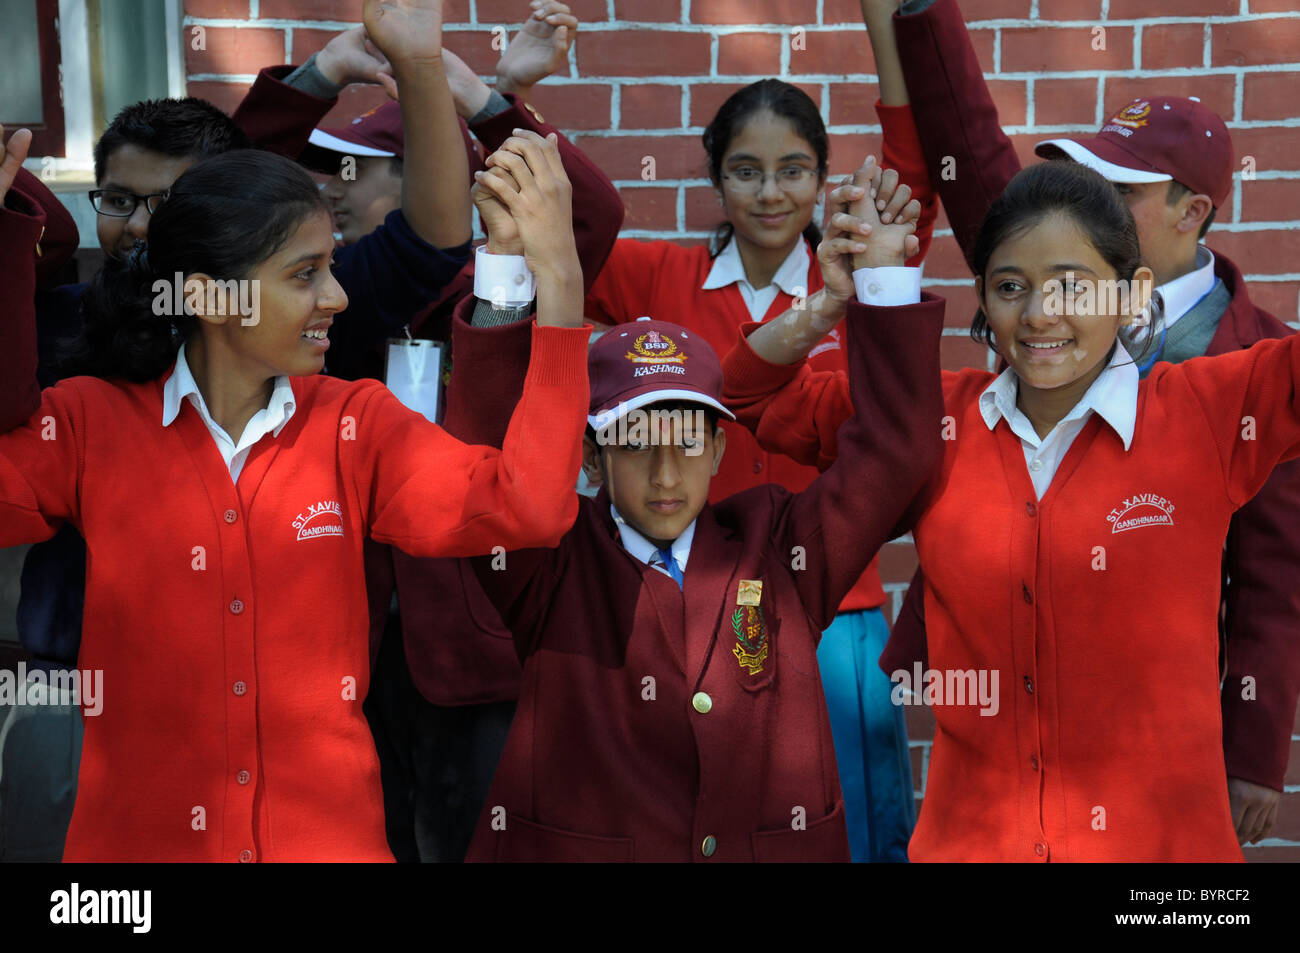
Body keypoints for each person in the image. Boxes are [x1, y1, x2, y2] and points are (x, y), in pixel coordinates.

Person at [0, 116, 592, 859]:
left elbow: (527, 506)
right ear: (212, 299)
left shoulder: (357, 422)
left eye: (332, 267)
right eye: (304, 274)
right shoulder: (89, 422)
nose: (338, 297)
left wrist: (555, 281)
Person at [724, 158, 1300, 862]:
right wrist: (835, 301)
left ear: (1133, 293)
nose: (1039, 314)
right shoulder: (930, 422)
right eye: (1009, 288)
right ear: (984, 302)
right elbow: (745, 395)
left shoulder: (1207, 411)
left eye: (1072, 285)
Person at [444, 145, 942, 861]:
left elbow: (897, 454)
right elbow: (484, 463)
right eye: (637, 439)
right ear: (591, 457)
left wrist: (884, 280)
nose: (666, 469)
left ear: (716, 449)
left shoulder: (780, 547)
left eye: (687, 438)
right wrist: (505, 264)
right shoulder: (550, 563)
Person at [880, 0, 1300, 845]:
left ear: (1192, 212)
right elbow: (978, 161)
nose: (1089, 201)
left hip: (1151, 737)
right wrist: (918, 14)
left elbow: (1276, 577)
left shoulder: (1253, 360)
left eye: (1122, 189)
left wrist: (1252, 749)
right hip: (999, 712)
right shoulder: (1044, 284)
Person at [232, 2, 625, 862]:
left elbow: (591, 211)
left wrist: (488, 95)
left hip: (477, 629)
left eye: (356, 170)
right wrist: (321, 76)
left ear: (424, 174)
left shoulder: (498, 275)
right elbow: (227, 200)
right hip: (352, 637)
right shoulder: (333, 300)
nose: (332, 187)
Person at [583, 59, 937, 862]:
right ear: (715, 179)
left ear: (820, 179)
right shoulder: (656, 275)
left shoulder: (858, 280)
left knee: (846, 831)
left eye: (793, 171)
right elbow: (558, 235)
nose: (770, 193)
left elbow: (916, 151)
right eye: (745, 171)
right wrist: (509, 95)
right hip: (682, 606)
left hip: (833, 605)